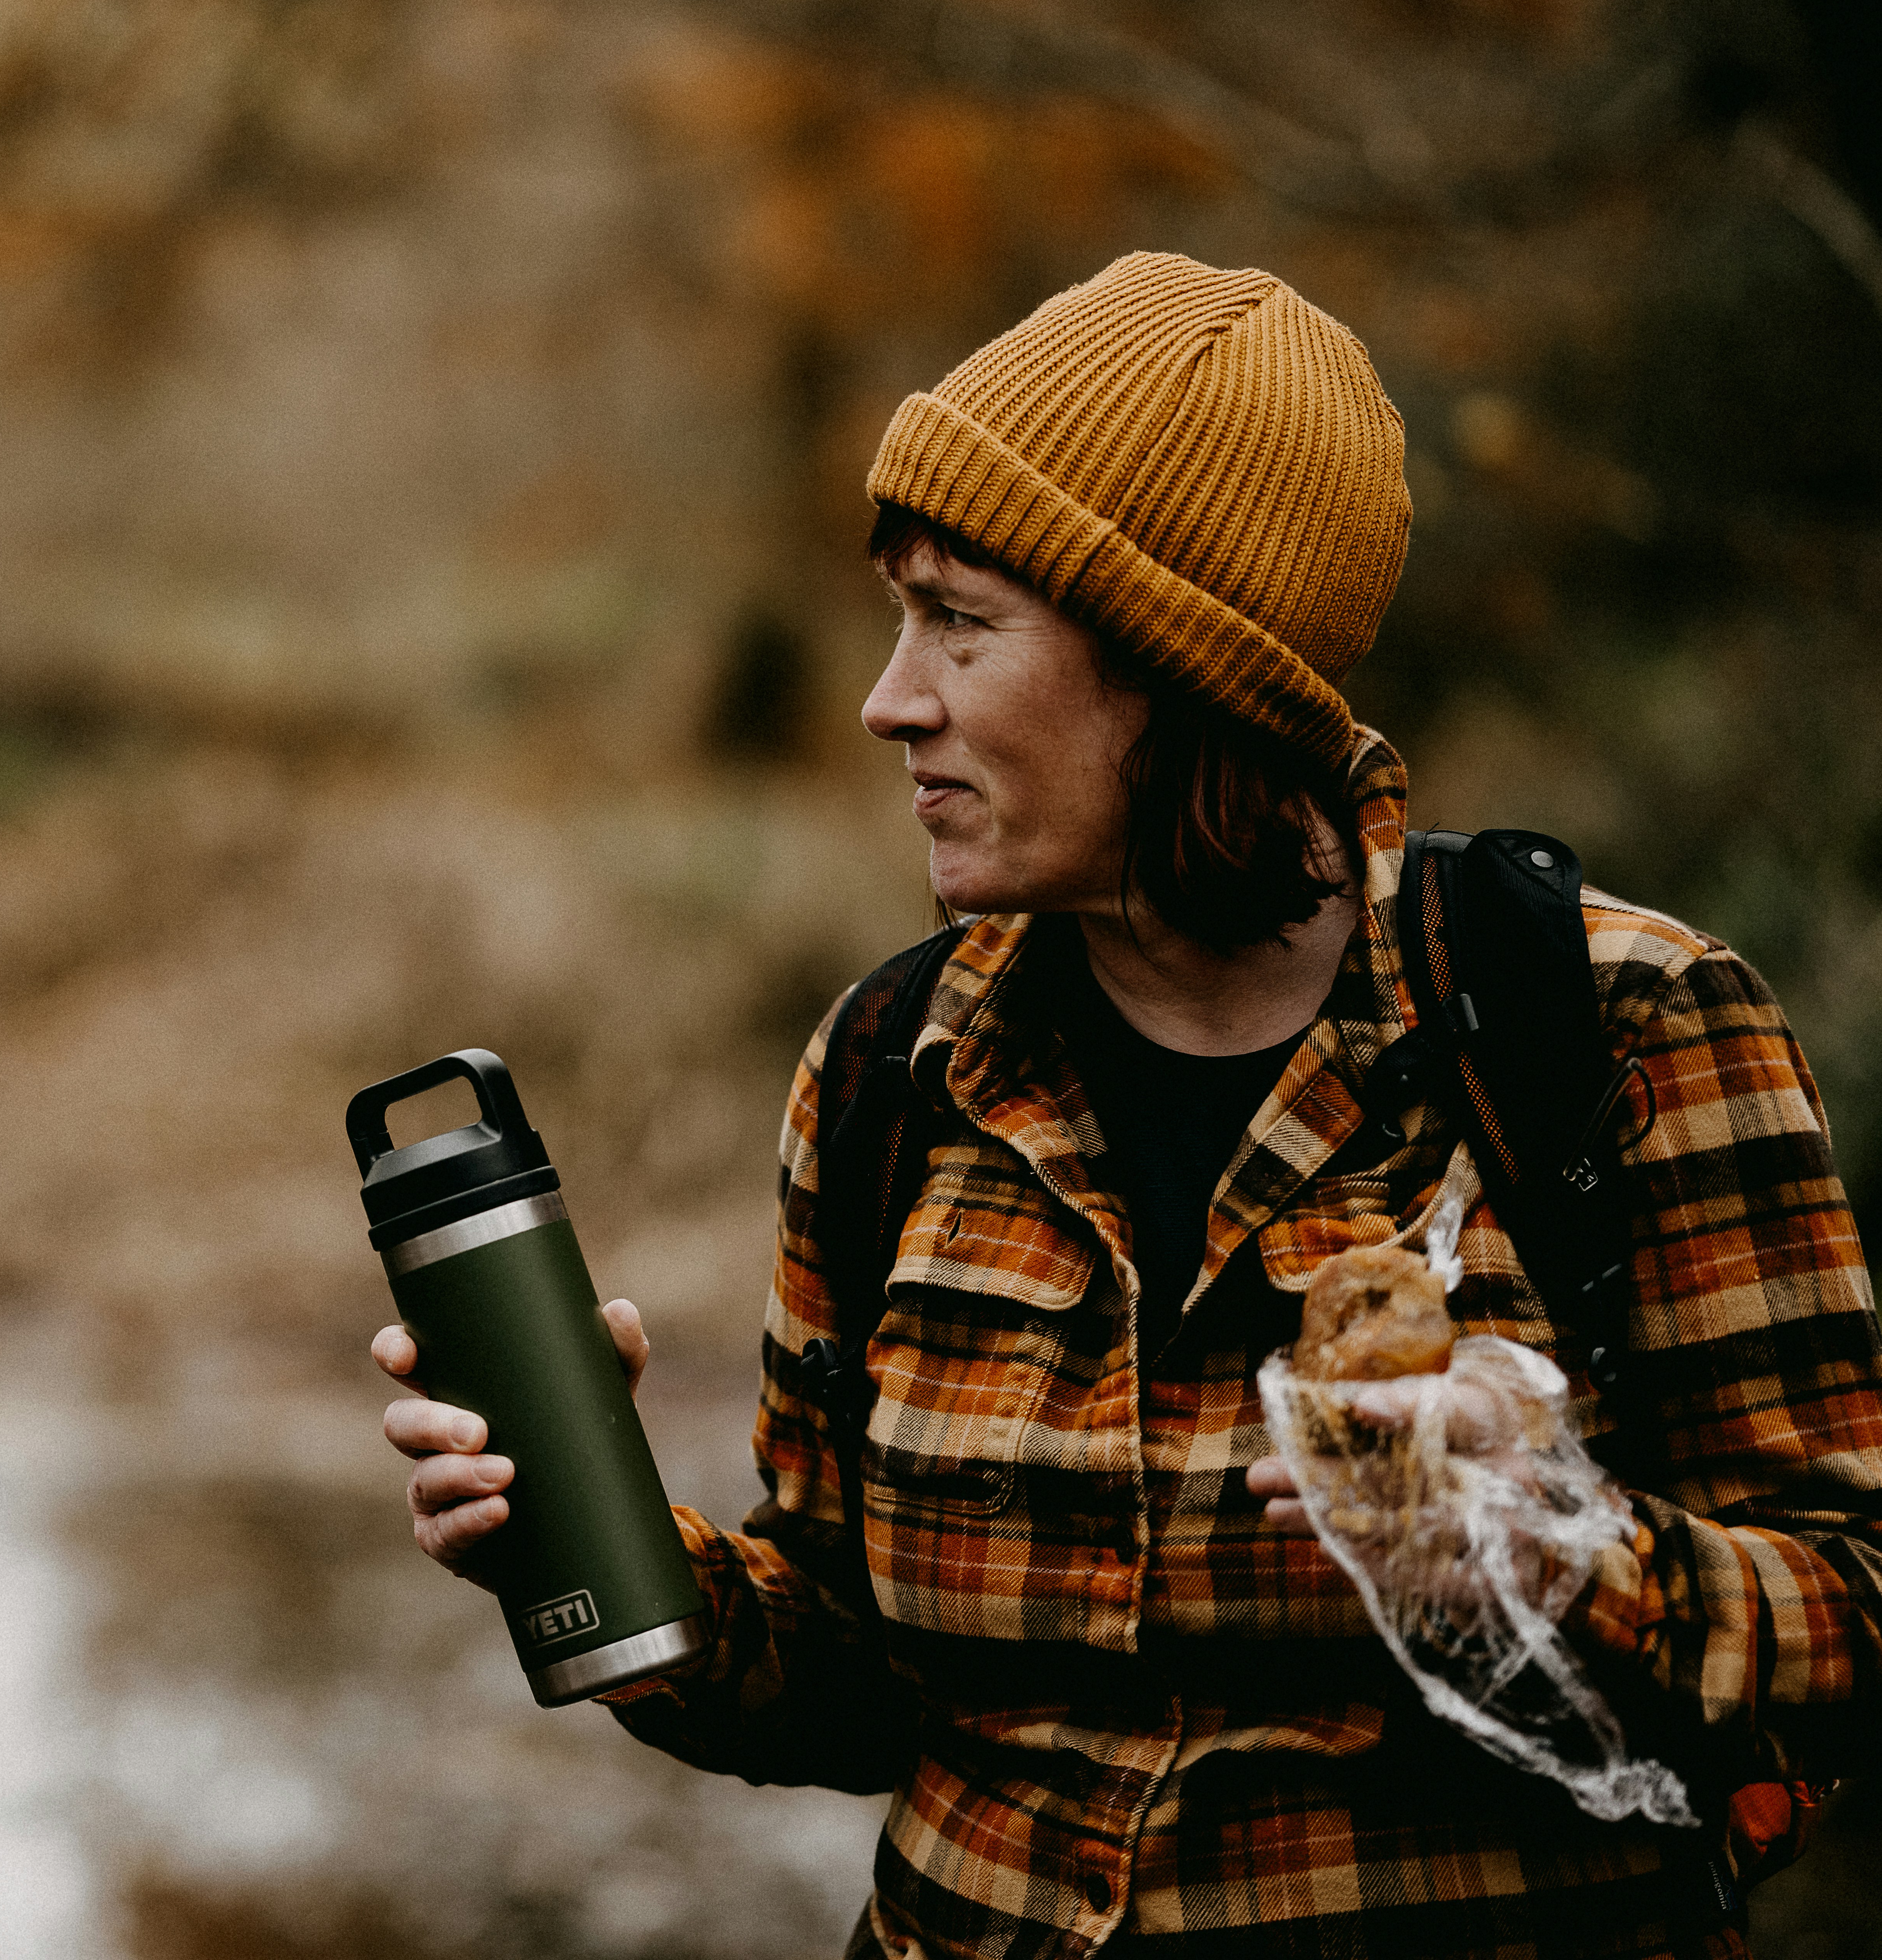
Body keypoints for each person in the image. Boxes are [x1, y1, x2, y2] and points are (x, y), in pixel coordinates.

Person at [374, 253, 1882, 1958]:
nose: (891, 698)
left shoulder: (1612, 1028)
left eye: (961, 618)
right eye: (898, 617)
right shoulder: (891, 1072)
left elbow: (1854, 1608)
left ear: (1178, 663)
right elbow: (863, 1689)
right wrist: (602, 1550)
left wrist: (1545, 1558)